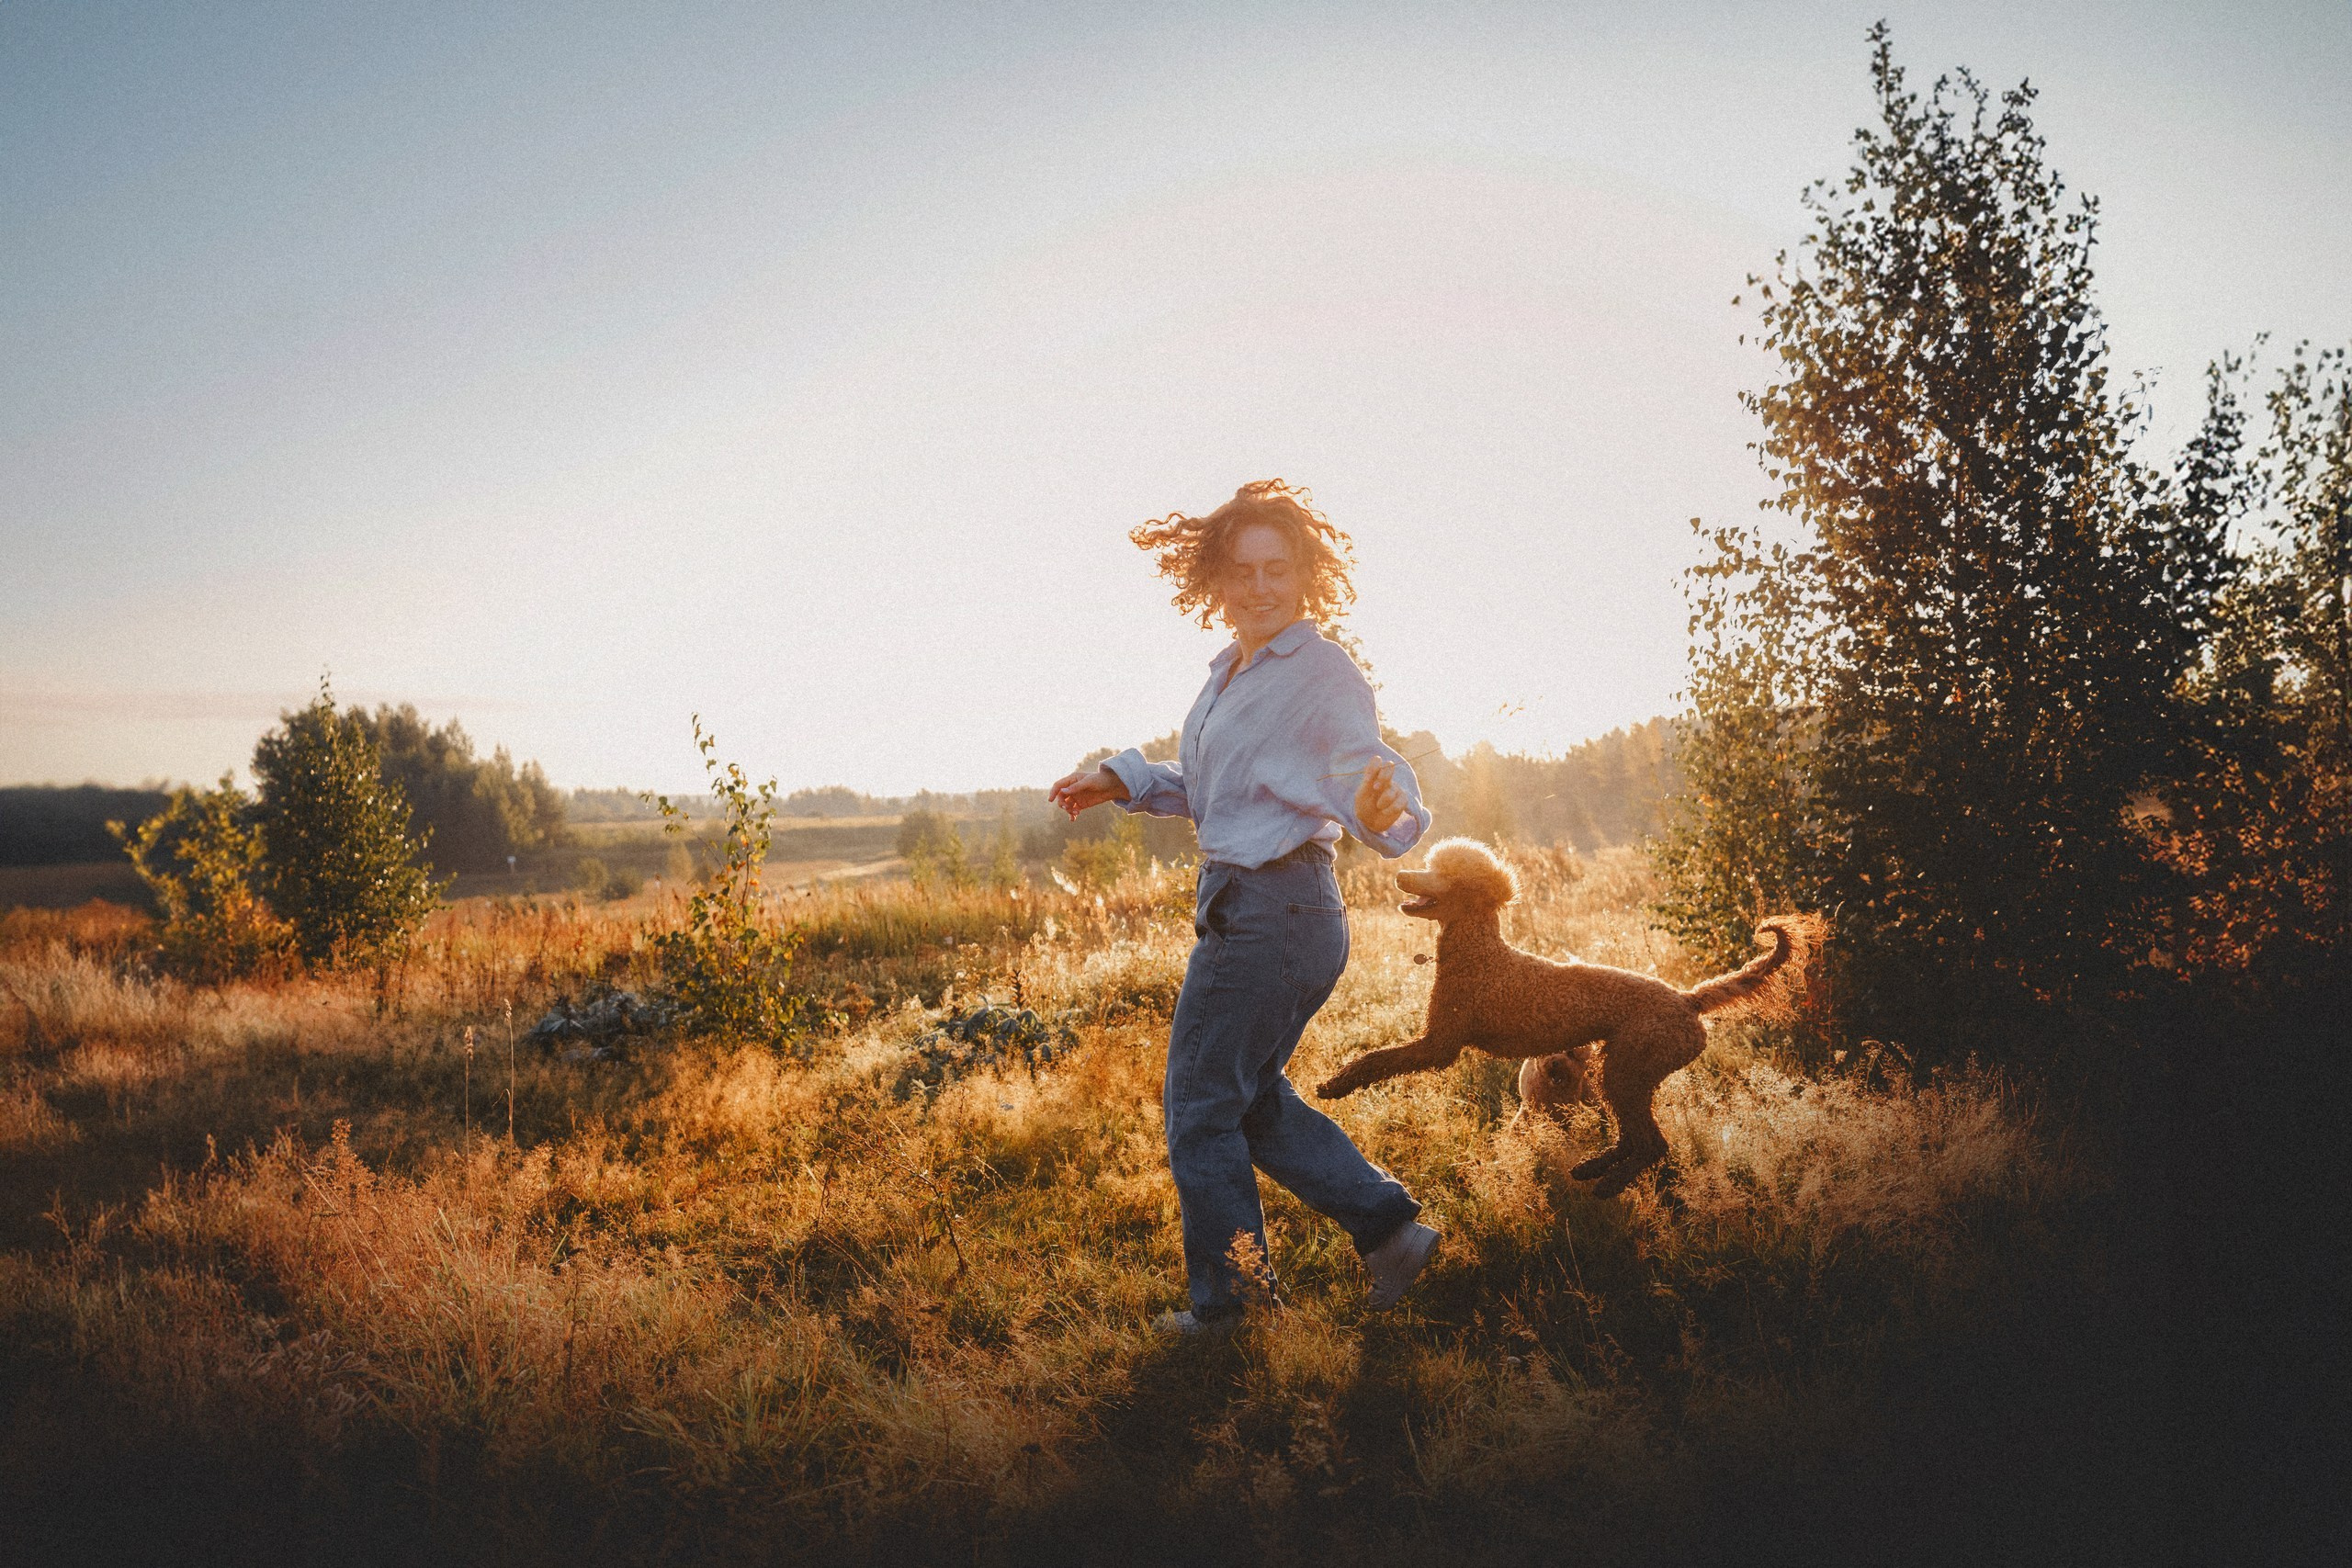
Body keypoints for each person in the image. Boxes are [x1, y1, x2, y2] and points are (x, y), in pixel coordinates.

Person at [1047, 479, 1440, 1334]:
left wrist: (1388, 812)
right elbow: (1227, 794)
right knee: (1245, 1096)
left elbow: (1370, 773)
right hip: (1262, 907)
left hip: (1275, 908)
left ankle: (1231, 1312)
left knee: (1199, 1107)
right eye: (1242, 571)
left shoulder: (1322, 670)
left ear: (1304, 577)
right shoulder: (1231, 671)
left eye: (1277, 569)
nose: (1259, 586)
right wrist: (1128, 777)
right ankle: (1391, 1234)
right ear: (1215, 581)